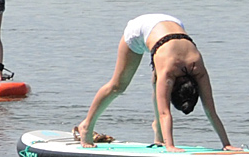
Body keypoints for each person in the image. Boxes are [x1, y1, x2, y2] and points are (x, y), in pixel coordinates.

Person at [73, 15, 231, 149]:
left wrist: (226, 144)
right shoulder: (169, 72)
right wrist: (170, 147)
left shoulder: (199, 70)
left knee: (158, 80)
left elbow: (211, 110)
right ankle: (86, 125)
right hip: (140, 29)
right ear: (172, 87)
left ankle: (158, 132)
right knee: (118, 86)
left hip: (171, 24)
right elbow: (165, 113)